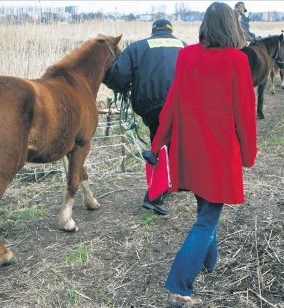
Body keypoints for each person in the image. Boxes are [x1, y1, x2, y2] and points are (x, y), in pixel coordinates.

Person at [145, 2, 257, 306]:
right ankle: (179, 288)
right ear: (232, 26)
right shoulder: (237, 60)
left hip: (190, 151)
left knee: (205, 207)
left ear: (206, 25)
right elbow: (245, 114)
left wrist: (158, 144)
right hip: (219, 154)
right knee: (207, 220)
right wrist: (248, 154)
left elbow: (171, 104)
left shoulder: (187, 54)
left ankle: (209, 262)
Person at [104, 19, 187, 216]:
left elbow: (119, 77)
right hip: (180, 104)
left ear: (153, 31)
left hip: (151, 105)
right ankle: (154, 196)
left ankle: (166, 185)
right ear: (170, 32)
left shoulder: (137, 47)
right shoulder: (184, 46)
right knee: (170, 145)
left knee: (159, 142)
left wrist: (121, 86)